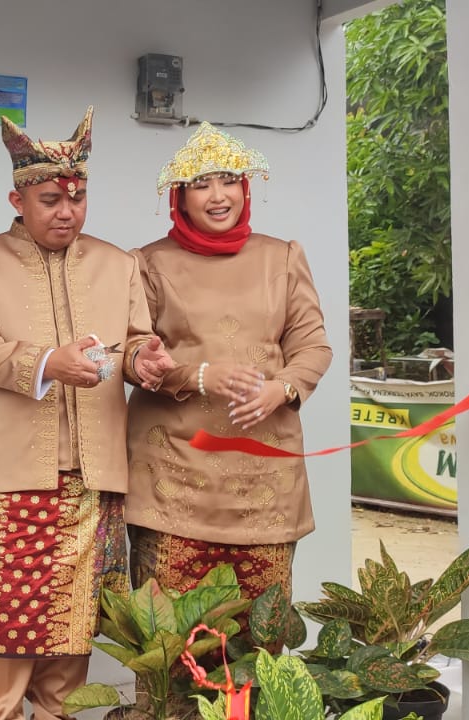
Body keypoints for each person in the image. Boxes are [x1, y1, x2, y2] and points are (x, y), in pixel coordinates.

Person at [0, 107, 176, 720]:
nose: (66, 211)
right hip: (18, 476)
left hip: (95, 478)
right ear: (17, 198)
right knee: (8, 628)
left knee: (71, 635)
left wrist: (143, 359)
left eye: (76, 198)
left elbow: (133, 341)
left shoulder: (117, 262)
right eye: (50, 199)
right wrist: (48, 362)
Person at [125, 123, 332, 628]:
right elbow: (131, 350)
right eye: (201, 184)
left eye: (228, 180)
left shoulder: (282, 257)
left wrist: (280, 388)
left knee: (260, 643)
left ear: (246, 187)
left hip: (264, 476)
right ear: (180, 197)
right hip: (172, 476)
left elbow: (312, 345)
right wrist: (195, 375)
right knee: (170, 642)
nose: (218, 196)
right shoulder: (146, 263)